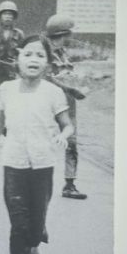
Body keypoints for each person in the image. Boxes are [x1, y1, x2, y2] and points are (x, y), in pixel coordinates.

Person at [0, 35, 75, 254]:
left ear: (48, 63)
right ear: (18, 59)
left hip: (43, 165)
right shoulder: (5, 90)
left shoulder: (53, 93)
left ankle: (33, 243)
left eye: (40, 55)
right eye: (28, 54)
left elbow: (67, 124)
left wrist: (64, 135)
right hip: (14, 163)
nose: (33, 60)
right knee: (19, 223)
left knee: (36, 222)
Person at [43, 14, 88, 200]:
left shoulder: (63, 53)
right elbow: (46, 78)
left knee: (72, 143)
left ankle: (69, 184)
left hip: (68, 104)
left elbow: (68, 75)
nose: (70, 36)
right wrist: (70, 89)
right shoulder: (44, 52)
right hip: (50, 104)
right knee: (45, 142)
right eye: (68, 33)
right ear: (62, 33)